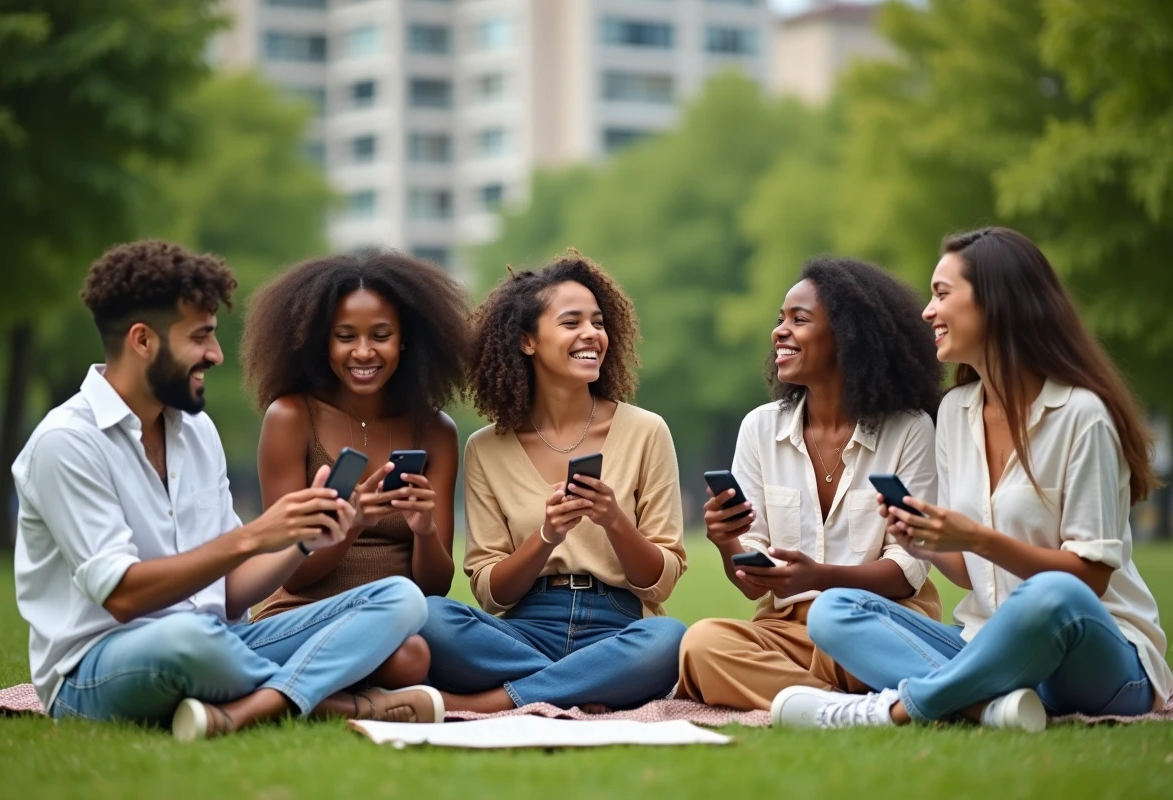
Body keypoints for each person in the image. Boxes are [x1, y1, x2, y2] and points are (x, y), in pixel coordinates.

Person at [12, 241, 444, 743]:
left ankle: (257, 705)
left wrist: (304, 540)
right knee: (188, 642)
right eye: (201, 338)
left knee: (401, 599)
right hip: (101, 667)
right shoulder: (67, 442)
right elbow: (123, 596)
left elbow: (232, 590)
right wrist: (257, 535)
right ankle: (335, 703)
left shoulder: (195, 432)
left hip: (224, 641)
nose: (216, 355)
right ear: (142, 341)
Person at [773, 227, 1173, 731]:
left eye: (942, 294)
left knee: (1051, 594)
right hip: (986, 646)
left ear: (996, 303)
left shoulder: (1081, 415)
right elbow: (969, 573)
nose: (927, 311)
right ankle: (992, 707)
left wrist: (977, 537)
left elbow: (1089, 578)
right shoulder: (957, 411)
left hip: (1096, 657)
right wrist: (925, 543)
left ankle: (895, 709)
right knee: (833, 610)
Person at [418, 251, 688, 713]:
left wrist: (614, 521)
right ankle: (585, 684)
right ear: (527, 341)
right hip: (523, 628)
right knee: (427, 616)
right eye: (571, 323)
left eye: (598, 322)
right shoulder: (486, 448)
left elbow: (660, 583)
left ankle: (493, 701)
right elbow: (490, 592)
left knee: (668, 639)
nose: (592, 334)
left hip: (618, 625)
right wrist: (546, 537)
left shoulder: (647, 431)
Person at [675, 256, 945, 712]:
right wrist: (727, 542)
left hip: (873, 624)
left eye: (799, 320)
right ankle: (853, 709)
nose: (779, 332)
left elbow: (907, 572)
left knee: (844, 640)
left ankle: (813, 702)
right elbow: (752, 587)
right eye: (780, 320)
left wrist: (820, 578)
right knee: (701, 645)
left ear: (849, 337)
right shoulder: (760, 428)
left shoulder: (910, 429)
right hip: (784, 631)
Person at [239, 249, 471, 694]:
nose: (363, 352)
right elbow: (291, 575)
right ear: (321, 341)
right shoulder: (291, 417)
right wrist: (351, 523)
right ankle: (333, 695)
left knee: (411, 656)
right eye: (345, 336)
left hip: (398, 620)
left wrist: (423, 530)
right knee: (410, 662)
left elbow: (436, 587)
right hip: (305, 613)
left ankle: (297, 692)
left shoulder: (436, 431)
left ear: (405, 340)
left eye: (380, 335)